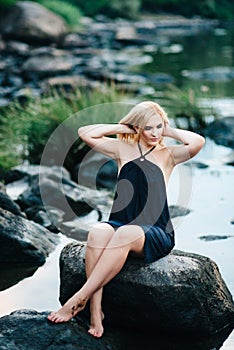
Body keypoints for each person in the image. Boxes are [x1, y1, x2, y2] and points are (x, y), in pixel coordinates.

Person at [47, 101, 205, 337]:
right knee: (97, 232)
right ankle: (95, 311)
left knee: (124, 234)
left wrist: (166, 129)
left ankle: (79, 298)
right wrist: (126, 128)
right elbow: (86, 133)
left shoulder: (168, 155)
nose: (154, 133)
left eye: (158, 127)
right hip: (120, 222)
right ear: (137, 127)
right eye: (148, 128)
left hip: (154, 230)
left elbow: (197, 141)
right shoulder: (123, 149)